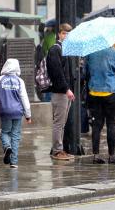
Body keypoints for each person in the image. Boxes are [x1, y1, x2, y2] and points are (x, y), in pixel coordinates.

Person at [0, 58, 31, 168]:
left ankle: (7, 147)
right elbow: (24, 99)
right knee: (16, 135)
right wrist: (28, 115)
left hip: (5, 112)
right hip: (18, 112)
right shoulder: (20, 81)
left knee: (4, 132)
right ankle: (14, 162)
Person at [86, 46, 115, 164]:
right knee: (111, 124)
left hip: (94, 92)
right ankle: (111, 156)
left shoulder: (90, 52)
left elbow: (86, 72)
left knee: (96, 125)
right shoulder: (112, 52)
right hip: (110, 91)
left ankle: (96, 155)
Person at [46, 23, 75, 160]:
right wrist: (67, 89)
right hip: (60, 92)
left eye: (69, 34)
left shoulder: (64, 49)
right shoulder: (55, 50)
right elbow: (57, 73)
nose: (66, 36)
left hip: (64, 92)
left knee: (61, 123)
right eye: (64, 33)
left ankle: (59, 149)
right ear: (59, 34)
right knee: (59, 123)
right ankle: (57, 151)